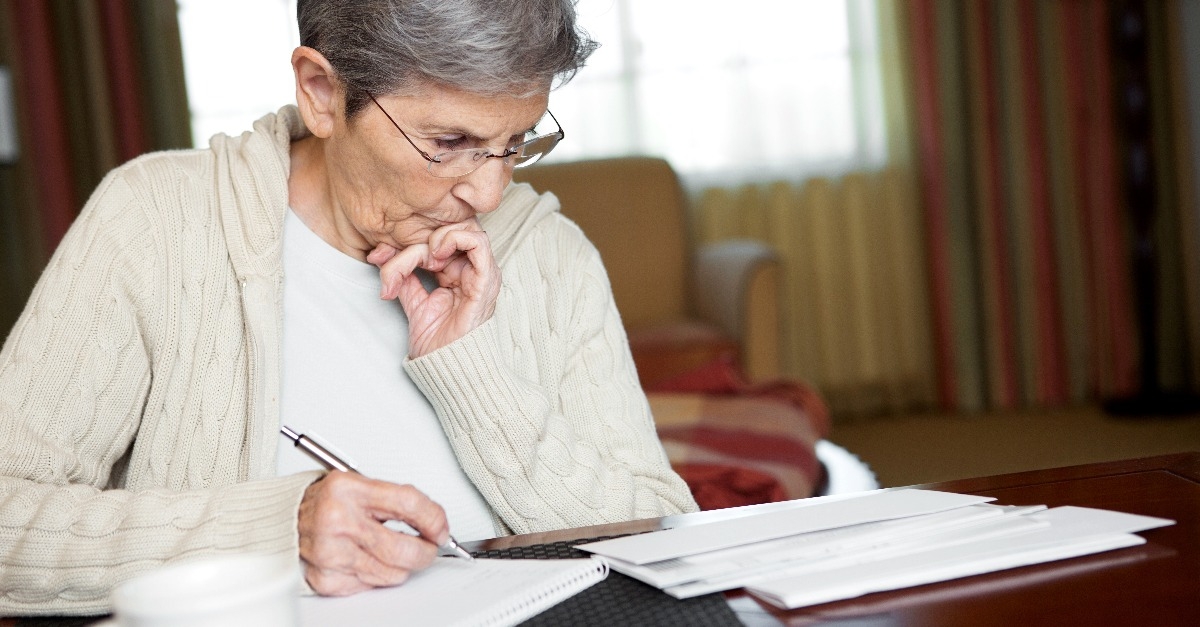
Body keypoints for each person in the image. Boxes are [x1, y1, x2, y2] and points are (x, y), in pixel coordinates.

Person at [0, 0, 698, 615]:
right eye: (449, 143)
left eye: (514, 144)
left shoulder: (552, 257)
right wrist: (276, 531)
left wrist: (475, 370)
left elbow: (668, 537)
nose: (488, 194)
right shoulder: (155, 221)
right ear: (322, 93)